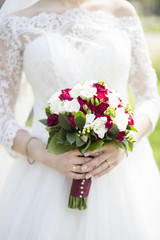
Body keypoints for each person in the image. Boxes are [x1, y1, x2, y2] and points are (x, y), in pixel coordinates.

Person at [0, 0, 160, 239]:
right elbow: (3, 116)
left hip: (122, 174)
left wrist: (125, 141)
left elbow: (149, 97)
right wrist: (45, 155)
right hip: (46, 174)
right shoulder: (15, 22)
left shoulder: (122, 12)